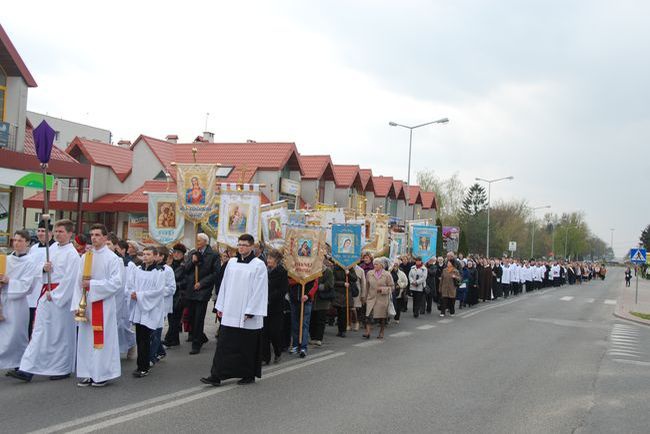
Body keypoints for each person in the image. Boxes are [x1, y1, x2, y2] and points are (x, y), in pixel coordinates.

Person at [8, 220, 80, 382]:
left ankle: (62, 367)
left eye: (61, 231)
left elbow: (70, 280)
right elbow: (38, 268)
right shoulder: (51, 249)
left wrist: (55, 294)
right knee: (39, 332)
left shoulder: (72, 254)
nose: (58, 234)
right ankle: (27, 368)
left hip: (60, 298)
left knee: (59, 334)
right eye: (56, 231)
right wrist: (44, 268)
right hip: (46, 294)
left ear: (69, 234)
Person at [201, 234, 268, 386]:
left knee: (246, 346)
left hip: (247, 313)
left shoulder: (258, 265)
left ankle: (248, 374)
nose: (241, 247)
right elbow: (224, 285)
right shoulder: (231, 263)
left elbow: (260, 290)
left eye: (245, 244)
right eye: (239, 244)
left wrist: (251, 310)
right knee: (224, 344)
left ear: (251, 246)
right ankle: (216, 375)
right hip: (231, 311)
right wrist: (220, 306)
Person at [72, 224, 123, 387]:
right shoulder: (86, 256)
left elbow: (116, 283)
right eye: (92, 235)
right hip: (87, 304)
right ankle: (87, 372)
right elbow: (78, 281)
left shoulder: (113, 258)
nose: (94, 238)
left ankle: (101, 373)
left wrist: (92, 284)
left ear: (105, 238)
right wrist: (78, 304)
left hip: (103, 305)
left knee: (101, 340)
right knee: (86, 340)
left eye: (97, 235)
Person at [0, 230, 39, 370]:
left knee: (15, 335)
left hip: (17, 302)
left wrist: (9, 281)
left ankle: (19, 362)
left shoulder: (30, 262)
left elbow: (27, 285)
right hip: (3, 300)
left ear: (27, 243)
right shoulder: (6, 259)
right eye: (15, 240)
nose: (16, 243)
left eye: (20, 241)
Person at [127, 246, 164, 378]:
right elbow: (130, 284)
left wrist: (140, 295)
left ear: (155, 256)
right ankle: (140, 365)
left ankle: (144, 366)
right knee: (139, 337)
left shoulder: (159, 272)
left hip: (149, 309)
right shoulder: (137, 270)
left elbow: (158, 291)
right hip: (138, 307)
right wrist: (132, 293)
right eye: (144, 254)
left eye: (149, 254)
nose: (146, 256)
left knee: (145, 339)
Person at [181, 233, 219, 355]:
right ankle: (201, 337)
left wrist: (202, 283)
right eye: (196, 239)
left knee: (198, 318)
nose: (197, 242)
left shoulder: (213, 255)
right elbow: (186, 269)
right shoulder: (193, 253)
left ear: (205, 242)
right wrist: (193, 262)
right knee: (190, 317)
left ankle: (196, 344)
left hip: (203, 290)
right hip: (191, 289)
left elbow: (215, 273)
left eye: (199, 240)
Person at [27, 220, 54, 338]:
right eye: (38, 231)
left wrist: (44, 269)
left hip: (46, 288)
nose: (40, 233)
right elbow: (29, 267)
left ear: (50, 233)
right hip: (33, 289)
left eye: (43, 231)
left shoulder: (54, 248)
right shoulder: (33, 248)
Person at [150, 247, 175, 365]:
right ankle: (160, 351)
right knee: (151, 331)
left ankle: (152, 357)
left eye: (156, 254)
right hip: (150, 304)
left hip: (162, 305)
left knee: (156, 331)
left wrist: (157, 291)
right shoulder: (150, 269)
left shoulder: (168, 270)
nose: (153, 257)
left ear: (162, 257)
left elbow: (171, 288)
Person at [262, 249, 287, 364]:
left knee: (274, 332)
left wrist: (269, 296)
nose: (268, 260)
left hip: (276, 306)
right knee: (264, 333)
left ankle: (278, 352)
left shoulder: (282, 271)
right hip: (264, 307)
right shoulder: (264, 270)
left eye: (270, 258)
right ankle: (265, 357)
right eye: (268, 258)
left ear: (276, 260)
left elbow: (282, 290)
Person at [163, 243, 188, 347]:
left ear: (183, 254)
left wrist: (175, 284)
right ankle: (175, 339)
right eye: (175, 252)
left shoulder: (184, 265)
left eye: (179, 253)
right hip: (172, 294)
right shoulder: (172, 264)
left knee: (175, 318)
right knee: (172, 318)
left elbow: (182, 280)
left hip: (179, 295)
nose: (176, 254)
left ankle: (169, 339)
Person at [362, 258, 394, 339]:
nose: (375, 265)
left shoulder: (387, 274)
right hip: (371, 298)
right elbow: (367, 286)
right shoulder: (369, 273)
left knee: (382, 317)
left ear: (381, 265)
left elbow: (392, 287)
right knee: (368, 315)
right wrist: (364, 298)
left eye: (377, 264)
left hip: (382, 299)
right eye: (374, 264)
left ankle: (381, 332)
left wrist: (383, 289)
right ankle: (367, 332)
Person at [332, 262, 357, 338]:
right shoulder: (335, 268)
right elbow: (333, 281)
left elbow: (354, 278)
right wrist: (342, 284)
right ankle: (340, 330)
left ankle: (343, 330)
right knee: (340, 311)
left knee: (345, 311)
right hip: (338, 293)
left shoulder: (350, 267)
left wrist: (348, 273)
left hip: (347, 293)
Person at [310, 260, 333, 343]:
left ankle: (319, 338)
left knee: (320, 319)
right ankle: (312, 337)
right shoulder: (311, 270)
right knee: (312, 319)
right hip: (312, 298)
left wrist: (317, 287)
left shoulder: (328, 271)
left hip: (322, 299)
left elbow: (330, 284)